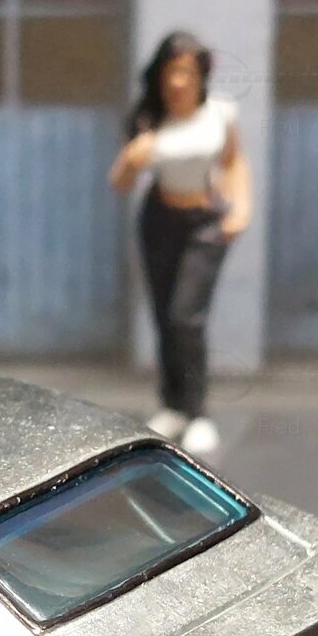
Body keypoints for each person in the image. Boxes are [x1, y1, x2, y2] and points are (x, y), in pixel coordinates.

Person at [108, 30, 251, 457]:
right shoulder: (150, 121)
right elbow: (121, 182)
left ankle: (198, 410)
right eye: (171, 72)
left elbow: (233, 161)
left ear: (200, 75)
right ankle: (172, 403)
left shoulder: (218, 114)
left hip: (203, 222)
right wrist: (132, 158)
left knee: (186, 316)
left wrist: (241, 208)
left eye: (186, 72)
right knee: (164, 315)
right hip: (160, 219)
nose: (178, 82)